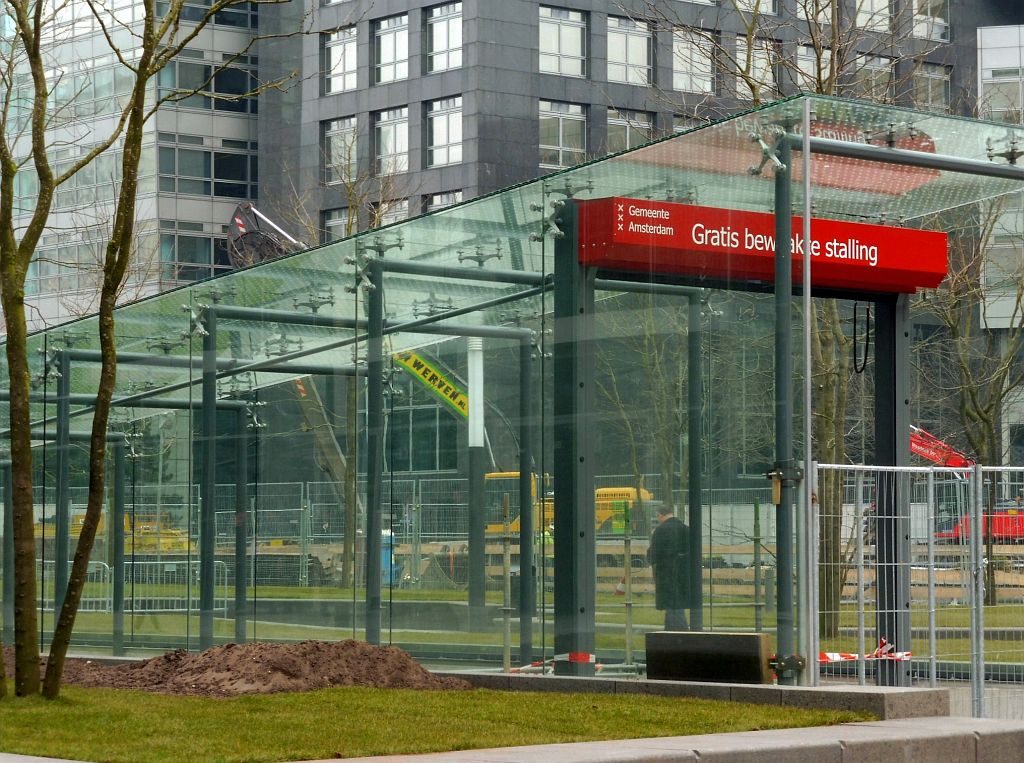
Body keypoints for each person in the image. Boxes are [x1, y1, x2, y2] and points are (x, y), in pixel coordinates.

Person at [648, 505, 690, 631]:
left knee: (671, 605)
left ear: (660, 515)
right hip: (683, 572)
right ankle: (671, 630)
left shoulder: (660, 530)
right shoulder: (685, 529)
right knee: (677, 604)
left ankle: (679, 632)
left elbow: (653, 554)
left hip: (666, 572)